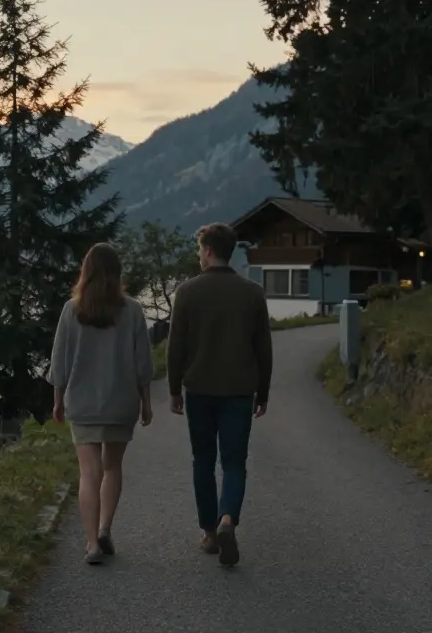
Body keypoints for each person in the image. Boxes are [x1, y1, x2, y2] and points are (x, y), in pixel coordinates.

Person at [167, 222, 272, 567]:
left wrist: (173, 390)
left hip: (199, 390)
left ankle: (210, 534)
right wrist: (263, 393)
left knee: (203, 461)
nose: (199, 256)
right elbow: (264, 349)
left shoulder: (187, 292)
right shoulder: (252, 293)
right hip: (239, 391)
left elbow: (176, 348)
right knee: (234, 462)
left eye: (200, 250)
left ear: (209, 250)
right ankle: (228, 519)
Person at [48, 242, 155, 565]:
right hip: (121, 402)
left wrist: (58, 401)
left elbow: (59, 361)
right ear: (117, 273)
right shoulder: (133, 310)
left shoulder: (72, 310)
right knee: (112, 467)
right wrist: (146, 403)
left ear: (87, 271)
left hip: (83, 403)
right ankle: (106, 527)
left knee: (89, 473)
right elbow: (143, 363)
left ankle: (92, 543)